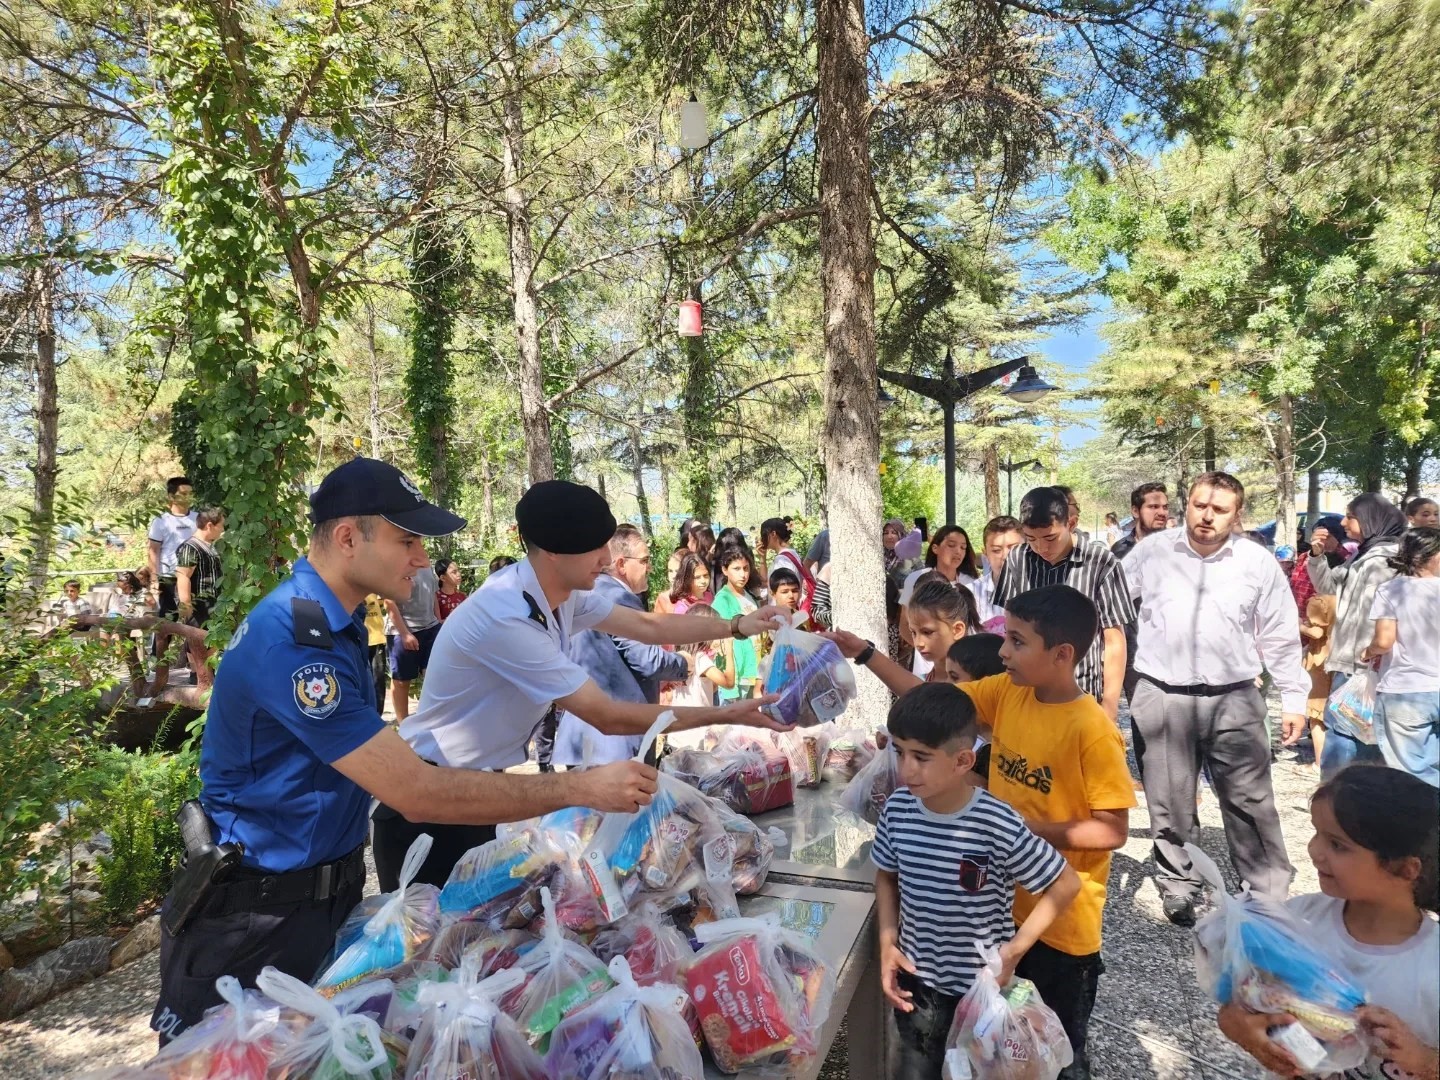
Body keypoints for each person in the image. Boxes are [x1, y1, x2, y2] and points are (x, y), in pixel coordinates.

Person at [151, 458, 657, 1043]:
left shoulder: (333, 627)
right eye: (406, 539)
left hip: (317, 900)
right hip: (257, 919)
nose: (420, 558)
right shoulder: (295, 640)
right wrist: (581, 787)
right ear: (347, 538)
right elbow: (413, 790)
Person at [387, 480, 787, 889]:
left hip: (477, 788)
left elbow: (645, 625)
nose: (606, 558)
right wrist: (726, 713)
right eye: (594, 547)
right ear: (555, 552)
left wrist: (737, 626)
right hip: (433, 803)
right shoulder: (508, 615)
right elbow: (607, 715)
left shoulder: (557, 593)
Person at [829, 586, 1135, 1078]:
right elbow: (931, 703)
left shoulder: (1092, 729)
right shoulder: (1010, 692)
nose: (1002, 652)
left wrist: (1016, 829)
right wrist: (866, 654)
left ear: (1061, 655)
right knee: (991, 1051)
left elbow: (1113, 831)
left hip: (1061, 931)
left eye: (1015, 641)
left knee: (1049, 1053)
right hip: (1001, 911)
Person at [1123, 472, 1308, 925]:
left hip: (1236, 698)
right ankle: (1180, 884)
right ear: (1187, 504)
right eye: (1199, 505)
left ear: (1236, 514)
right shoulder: (1151, 552)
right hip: (1162, 696)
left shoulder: (1256, 563)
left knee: (1250, 801)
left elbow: (1280, 634)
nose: (1206, 516)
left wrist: (1295, 697)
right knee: (1169, 803)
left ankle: (1265, 891)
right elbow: (1108, 609)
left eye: (1219, 509)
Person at [874, 682, 1081, 1079]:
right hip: (915, 989)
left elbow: (1065, 883)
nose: (906, 769)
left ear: (963, 761)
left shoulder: (996, 822)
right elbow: (886, 876)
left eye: (921, 756)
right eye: (899, 752)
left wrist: (1014, 953)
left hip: (981, 996)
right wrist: (887, 942)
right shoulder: (898, 810)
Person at [1217, 766, 1438, 1080]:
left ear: (1405, 869)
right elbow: (1236, 1001)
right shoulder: (1295, 920)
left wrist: (1425, 1059)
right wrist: (1239, 1026)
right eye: (1315, 832)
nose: (1313, 851)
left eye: (1337, 845)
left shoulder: (1432, 967)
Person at [552, 524, 690, 766]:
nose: (650, 567)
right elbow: (648, 660)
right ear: (622, 564)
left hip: (586, 738)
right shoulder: (618, 598)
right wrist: (683, 663)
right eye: (645, 560)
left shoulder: (586, 593)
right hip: (614, 742)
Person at [994, 487, 1135, 719]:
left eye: (1050, 537)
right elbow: (1008, 629)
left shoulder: (1102, 563)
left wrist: (1109, 707)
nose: (1041, 548)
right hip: (1027, 694)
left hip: (1082, 694)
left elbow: (1114, 639)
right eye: (1031, 539)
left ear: (1071, 523)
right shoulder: (1018, 558)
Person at [1306, 493, 1408, 776]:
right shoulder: (1363, 555)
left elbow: (1373, 617)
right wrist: (1318, 556)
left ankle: (1340, 806)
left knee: (1347, 742)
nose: (1343, 521)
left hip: (1362, 667)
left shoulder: (1382, 561)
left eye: (1349, 516)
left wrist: (1367, 657)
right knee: (1355, 737)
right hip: (1352, 664)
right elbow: (1328, 587)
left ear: (1369, 520)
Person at [1361, 527, 1440, 785]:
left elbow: (1384, 641)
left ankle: (1424, 823)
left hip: (1406, 690)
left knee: (1410, 775)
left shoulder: (1392, 589)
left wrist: (1368, 651)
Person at [1111, 482, 1170, 706]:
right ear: (1135, 511)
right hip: (1133, 651)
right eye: (1153, 507)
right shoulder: (1119, 551)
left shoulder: (1180, 548)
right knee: (1144, 724)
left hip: (1173, 650)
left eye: (1165, 507)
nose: (1161, 512)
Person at [898, 525, 980, 677]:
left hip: (963, 665)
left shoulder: (973, 583)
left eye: (963, 547)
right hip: (924, 666)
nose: (958, 551)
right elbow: (904, 624)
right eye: (951, 545)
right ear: (935, 548)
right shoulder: (915, 578)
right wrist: (926, 648)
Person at [174, 508, 226, 688]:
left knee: (208, 639)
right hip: (199, 603)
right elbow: (183, 576)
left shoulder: (210, 545)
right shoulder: (191, 547)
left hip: (212, 602)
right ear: (210, 525)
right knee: (199, 637)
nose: (222, 530)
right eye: (221, 526)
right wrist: (186, 605)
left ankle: (203, 675)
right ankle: (199, 675)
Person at [384, 562, 440, 725]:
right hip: (402, 630)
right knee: (402, 681)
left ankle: (432, 721)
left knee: (433, 675)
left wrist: (438, 620)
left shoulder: (425, 563)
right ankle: (404, 726)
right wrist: (404, 633)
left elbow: (433, 595)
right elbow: (389, 601)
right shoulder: (394, 562)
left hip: (430, 626)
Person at [711, 543, 764, 701]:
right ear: (725, 570)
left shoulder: (749, 596)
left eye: (746, 568)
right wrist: (730, 686)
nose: (743, 574)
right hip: (737, 675)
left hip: (753, 670)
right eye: (736, 569)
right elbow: (722, 643)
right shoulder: (722, 601)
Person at [666, 602, 735, 709]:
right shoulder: (700, 659)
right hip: (698, 722)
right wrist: (729, 648)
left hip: (679, 718)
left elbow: (711, 687)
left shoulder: (679, 655)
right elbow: (729, 683)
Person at [146, 476, 197, 619]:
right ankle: (159, 642)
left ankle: (190, 642)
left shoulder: (198, 519)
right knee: (167, 621)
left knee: (195, 621)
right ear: (171, 496)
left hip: (193, 576)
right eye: (184, 494)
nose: (188, 498)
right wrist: (154, 580)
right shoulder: (160, 521)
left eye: (190, 494)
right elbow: (153, 551)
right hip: (168, 578)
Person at [1300, 593, 1336, 767]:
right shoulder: (1355, 593)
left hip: (1321, 660)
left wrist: (1299, 625)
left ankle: (1320, 764)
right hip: (1343, 660)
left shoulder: (1320, 601)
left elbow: (1316, 632)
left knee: (1317, 715)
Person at [972, 516, 1022, 629]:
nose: (1005, 556)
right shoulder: (971, 594)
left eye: (1014, 548)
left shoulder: (1044, 590)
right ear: (985, 553)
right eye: (996, 550)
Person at [758, 517, 813, 608]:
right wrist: (762, 558)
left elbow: (785, 587)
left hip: (783, 613)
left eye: (763, 535)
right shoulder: (791, 554)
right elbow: (766, 582)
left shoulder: (782, 561)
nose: (762, 539)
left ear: (773, 534)